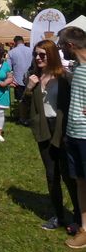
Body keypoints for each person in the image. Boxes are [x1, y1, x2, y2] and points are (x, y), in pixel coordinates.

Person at [22, 39, 80, 234]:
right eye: (36, 54)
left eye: (42, 54)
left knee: (69, 175)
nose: (38, 58)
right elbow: (23, 109)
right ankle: (59, 215)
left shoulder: (65, 77)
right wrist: (29, 89)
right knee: (51, 175)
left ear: (52, 55)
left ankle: (80, 216)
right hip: (43, 129)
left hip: (63, 129)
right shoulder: (33, 78)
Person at [61, 27, 86, 249]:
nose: (61, 49)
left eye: (62, 45)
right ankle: (85, 229)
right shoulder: (78, 66)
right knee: (80, 181)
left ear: (70, 46)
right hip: (73, 133)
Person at [9, 35, 33, 125]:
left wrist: (11, 79)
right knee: (30, 99)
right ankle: (29, 116)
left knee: (21, 100)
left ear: (15, 42)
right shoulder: (31, 50)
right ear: (23, 41)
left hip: (18, 79)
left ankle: (22, 118)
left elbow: (8, 68)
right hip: (30, 78)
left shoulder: (11, 52)